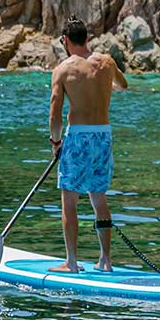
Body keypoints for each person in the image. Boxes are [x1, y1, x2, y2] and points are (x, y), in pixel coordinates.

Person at [48, 16, 128, 273]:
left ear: (65, 40)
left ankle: (71, 262)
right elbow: (122, 85)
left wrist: (56, 141)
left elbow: (55, 112)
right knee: (99, 197)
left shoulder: (63, 70)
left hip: (79, 136)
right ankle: (106, 260)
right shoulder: (106, 62)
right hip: (103, 135)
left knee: (69, 200)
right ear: (87, 39)